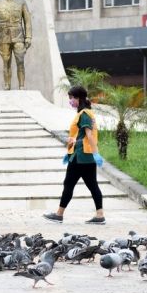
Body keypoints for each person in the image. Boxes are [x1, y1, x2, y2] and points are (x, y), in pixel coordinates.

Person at [43, 86, 106, 224]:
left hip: (81, 156)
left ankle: (59, 214)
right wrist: (70, 150)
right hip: (84, 155)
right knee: (92, 185)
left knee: (69, 184)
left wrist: (96, 153)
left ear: (78, 98)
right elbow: (81, 136)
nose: (70, 101)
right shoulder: (87, 113)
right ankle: (100, 215)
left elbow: (89, 135)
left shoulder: (84, 114)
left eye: (71, 98)